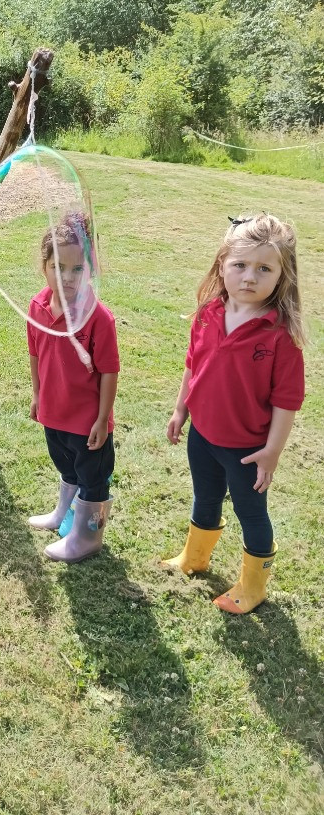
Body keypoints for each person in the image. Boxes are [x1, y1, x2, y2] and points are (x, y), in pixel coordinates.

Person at [164, 213, 306, 614]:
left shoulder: (280, 336)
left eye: (264, 268)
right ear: (222, 264)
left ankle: (253, 584)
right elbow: (193, 365)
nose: (249, 276)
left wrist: (272, 452)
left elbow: (287, 401)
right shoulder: (209, 313)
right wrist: (180, 410)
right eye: (240, 265)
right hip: (203, 436)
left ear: (283, 275)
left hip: (247, 449)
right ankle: (195, 558)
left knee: (250, 512)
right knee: (205, 496)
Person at [27, 215, 119, 562]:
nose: (66, 277)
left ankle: (88, 535)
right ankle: (63, 515)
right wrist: (38, 396)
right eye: (57, 267)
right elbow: (35, 355)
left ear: (90, 268)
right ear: (44, 266)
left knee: (92, 477)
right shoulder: (37, 307)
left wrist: (102, 419)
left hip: (87, 421)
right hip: (55, 412)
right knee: (66, 466)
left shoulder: (98, 318)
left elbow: (109, 373)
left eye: (77, 269)